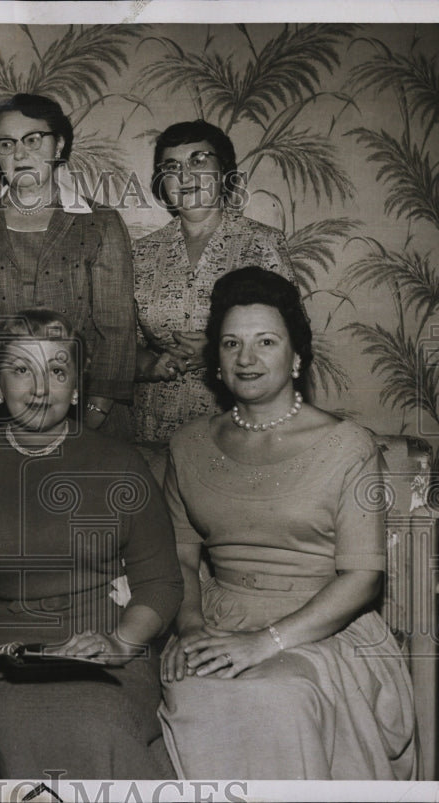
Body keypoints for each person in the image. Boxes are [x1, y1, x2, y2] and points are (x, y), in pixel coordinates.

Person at [158, 267, 415, 780]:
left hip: (323, 627)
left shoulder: (349, 446)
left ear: (296, 357)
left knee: (277, 694)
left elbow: (363, 579)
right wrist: (190, 630)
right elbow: (181, 559)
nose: (246, 358)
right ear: (217, 362)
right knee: (198, 689)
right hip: (218, 620)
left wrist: (266, 642)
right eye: (231, 344)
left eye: (265, 342)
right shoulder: (187, 445)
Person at [0, 310, 182, 779]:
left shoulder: (121, 463)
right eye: (22, 370)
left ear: (77, 387)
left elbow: (161, 583)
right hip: (3, 660)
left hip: (107, 655)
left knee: (94, 721)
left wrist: (120, 642)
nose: (41, 388)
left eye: (57, 371)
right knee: (7, 727)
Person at [0, 94, 136, 440]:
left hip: (84, 408)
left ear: (59, 145)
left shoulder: (99, 223)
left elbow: (117, 329)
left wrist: (94, 412)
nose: (19, 154)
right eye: (6, 143)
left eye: (33, 140)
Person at [133, 119, 297, 442]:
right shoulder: (141, 253)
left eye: (198, 160)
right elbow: (122, 344)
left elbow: (294, 335)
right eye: (172, 166)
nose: (184, 176)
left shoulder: (261, 244)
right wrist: (148, 363)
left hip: (239, 428)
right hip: (153, 430)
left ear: (224, 172)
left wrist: (217, 350)